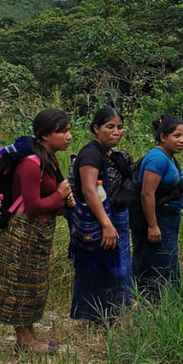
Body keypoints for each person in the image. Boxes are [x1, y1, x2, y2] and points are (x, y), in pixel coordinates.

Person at [0, 107, 75, 355]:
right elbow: (33, 206)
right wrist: (60, 196)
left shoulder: (49, 159)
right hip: (23, 234)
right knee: (20, 286)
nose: (68, 136)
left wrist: (60, 200)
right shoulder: (30, 164)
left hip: (37, 234)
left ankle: (30, 336)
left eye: (69, 131)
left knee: (33, 285)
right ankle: (24, 341)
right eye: (63, 131)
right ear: (45, 135)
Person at [69, 106, 135, 323]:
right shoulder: (90, 154)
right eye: (110, 127)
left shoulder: (111, 155)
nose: (116, 132)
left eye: (119, 127)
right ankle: (98, 316)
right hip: (100, 220)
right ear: (96, 128)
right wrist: (106, 224)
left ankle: (112, 314)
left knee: (116, 268)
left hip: (115, 217)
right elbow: (89, 191)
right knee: (100, 268)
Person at [132, 115, 183, 298]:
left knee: (168, 263)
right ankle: (155, 305)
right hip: (159, 221)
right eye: (177, 136)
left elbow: (167, 190)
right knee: (157, 265)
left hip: (169, 221)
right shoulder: (157, 159)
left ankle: (169, 304)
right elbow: (147, 194)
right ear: (163, 137)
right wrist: (153, 225)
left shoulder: (168, 157)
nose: (182, 140)